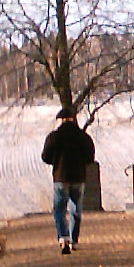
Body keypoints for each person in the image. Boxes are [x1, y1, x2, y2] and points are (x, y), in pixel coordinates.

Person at [40, 107, 95, 254]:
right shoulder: (83, 137)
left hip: (60, 177)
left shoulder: (54, 137)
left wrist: (56, 161)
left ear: (61, 120)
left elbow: (45, 157)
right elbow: (90, 158)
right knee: (76, 210)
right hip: (78, 177)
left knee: (59, 209)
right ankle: (74, 240)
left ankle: (64, 238)